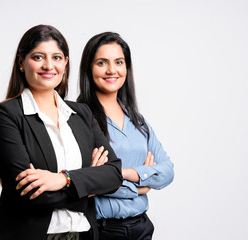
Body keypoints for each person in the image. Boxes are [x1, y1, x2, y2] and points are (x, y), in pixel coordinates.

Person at [0, 25, 123, 240]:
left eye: (57, 57)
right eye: (39, 57)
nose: (49, 66)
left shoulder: (81, 113)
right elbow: (27, 195)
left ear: (66, 63)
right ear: (22, 62)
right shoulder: (6, 114)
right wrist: (89, 186)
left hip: (83, 234)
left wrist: (64, 179)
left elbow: (114, 174)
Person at [77, 32, 174, 240]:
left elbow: (167, 171)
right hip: (102, 230)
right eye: (102, 63)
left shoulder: (138, 121)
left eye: (119, 62)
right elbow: (86, 181)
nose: (112, 70)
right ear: (89, 68)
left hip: (141, 227)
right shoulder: (79, 119)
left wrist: (126, 172)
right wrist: (141, 185)